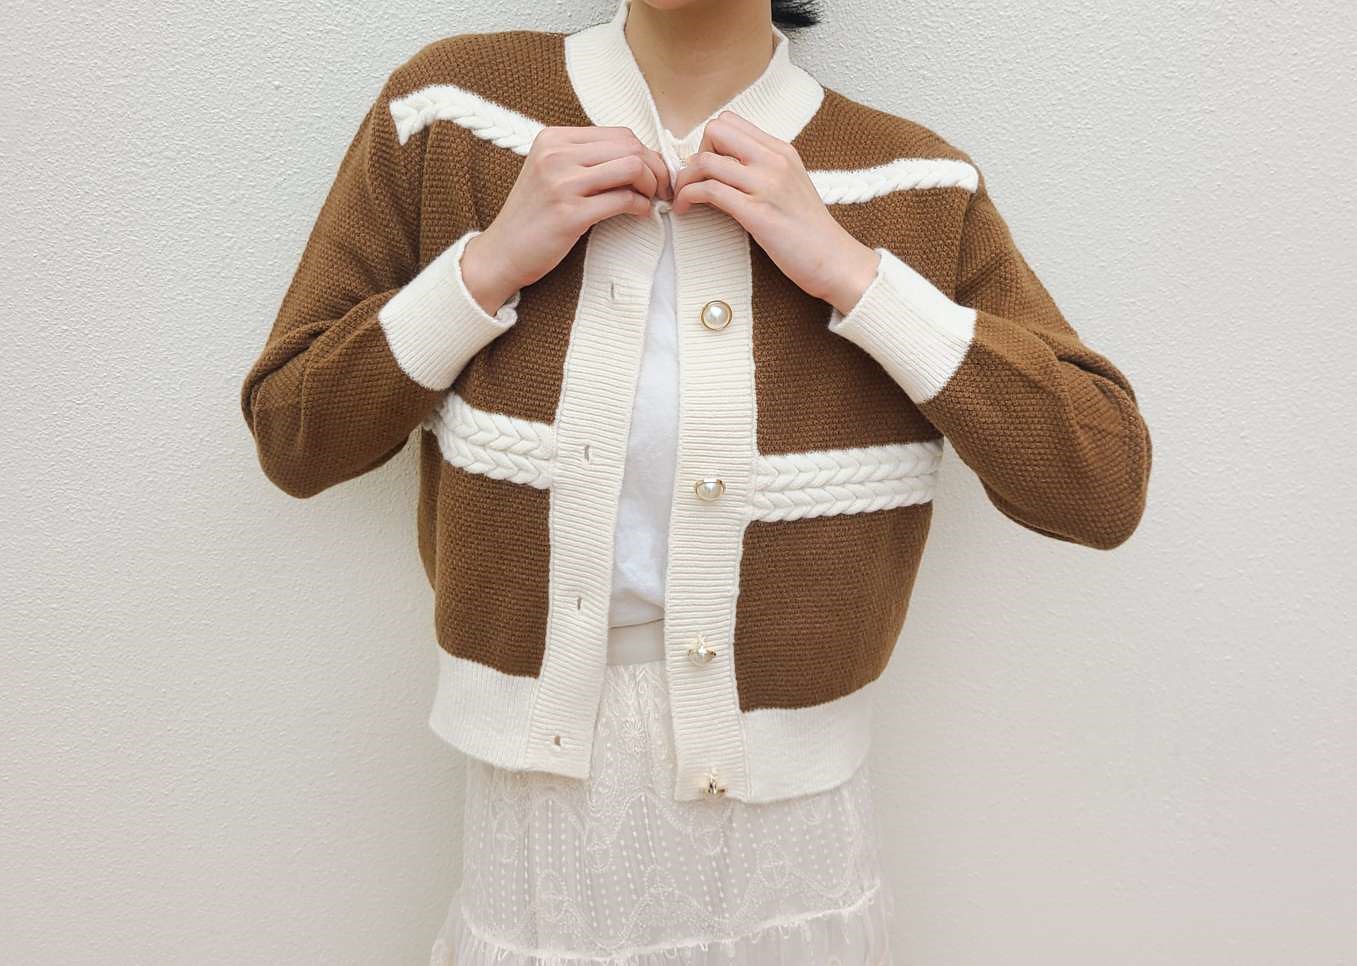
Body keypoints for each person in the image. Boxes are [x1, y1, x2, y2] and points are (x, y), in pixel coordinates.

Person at [239, 0, 1152, 962]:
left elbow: (1100, 485)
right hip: (542, 828)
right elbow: (297, 438)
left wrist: (854, 276)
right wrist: (487, 266)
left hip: (792, 843)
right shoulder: (452, 113)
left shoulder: (915, 181)